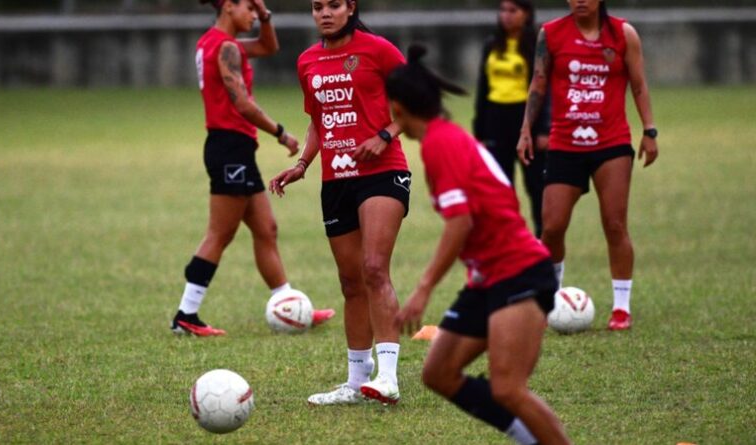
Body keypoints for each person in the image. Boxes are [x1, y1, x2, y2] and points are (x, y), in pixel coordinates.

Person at [390, 44, 571, 445]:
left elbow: (460, 223)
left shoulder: (441, 144)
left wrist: (422, 290)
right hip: (488, 278)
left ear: (397, 109)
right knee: (438, 373)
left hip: (518, 272)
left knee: (509, 388)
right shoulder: (443, 138)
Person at [269, 0, 410, 405]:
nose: (324, 13)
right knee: (350, 282)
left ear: (350, 7)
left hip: (383, 173)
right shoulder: (307, 61)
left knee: (373, 268)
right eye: (317, 7)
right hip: (337, 180)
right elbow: (318, 119)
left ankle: (388, 378)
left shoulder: (378, 50)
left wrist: (384, 136)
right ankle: (355, 383)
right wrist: (302, 164)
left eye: (333, 5)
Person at [171, 0, 335, 337]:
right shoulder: (226, 47)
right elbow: (241, 102)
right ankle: (186, 314)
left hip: (236, 149)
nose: (253, 13)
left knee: (266, 229)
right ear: (228, 6)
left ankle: (288, 303)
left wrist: (264, 15)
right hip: (229, 147)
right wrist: (282, 134)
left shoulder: (214, 43)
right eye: (248, 6)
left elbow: (268, 46)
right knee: (221, 233)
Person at [517, 0, 658, 331]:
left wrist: (649, 130)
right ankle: (551, 297)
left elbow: (639, 84)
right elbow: (538, 82)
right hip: (565, 143)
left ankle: (621, 307)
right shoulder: (550, 34)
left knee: (614, 223)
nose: (579, 0)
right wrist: (526, 128)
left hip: (611, 143)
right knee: (552, 226)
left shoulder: (624, 34)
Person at [473, 0, 550, 237]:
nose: (506, 16)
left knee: (536, 185)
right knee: (501, 187)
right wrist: (480, 132)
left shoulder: (536, 45)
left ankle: (541, 237)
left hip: (527, 119)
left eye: (512, 11)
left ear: (526, 14)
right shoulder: (492, 45)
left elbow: (543, 88)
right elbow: (483, 88)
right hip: (496, 121)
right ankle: (508, 238)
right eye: (503, 10)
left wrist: (544, 128)